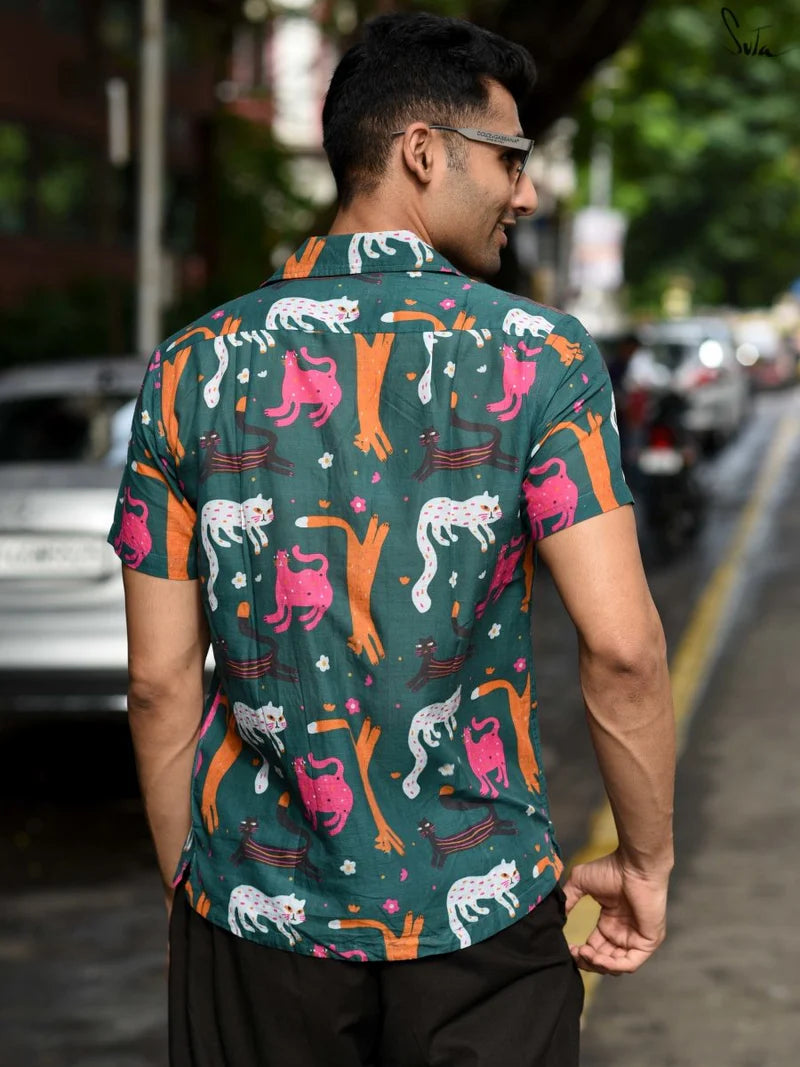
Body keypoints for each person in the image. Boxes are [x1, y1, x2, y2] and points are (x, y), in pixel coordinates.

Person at [109, 12, 675, 1067]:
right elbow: (624, 650)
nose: (524, 193)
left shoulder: (190, 367)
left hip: (258, 916)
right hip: (480, 919)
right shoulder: (540, 355)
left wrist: (195, 883)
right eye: (508, 159)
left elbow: (158, 680)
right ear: (422, 151)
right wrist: (645, 859)